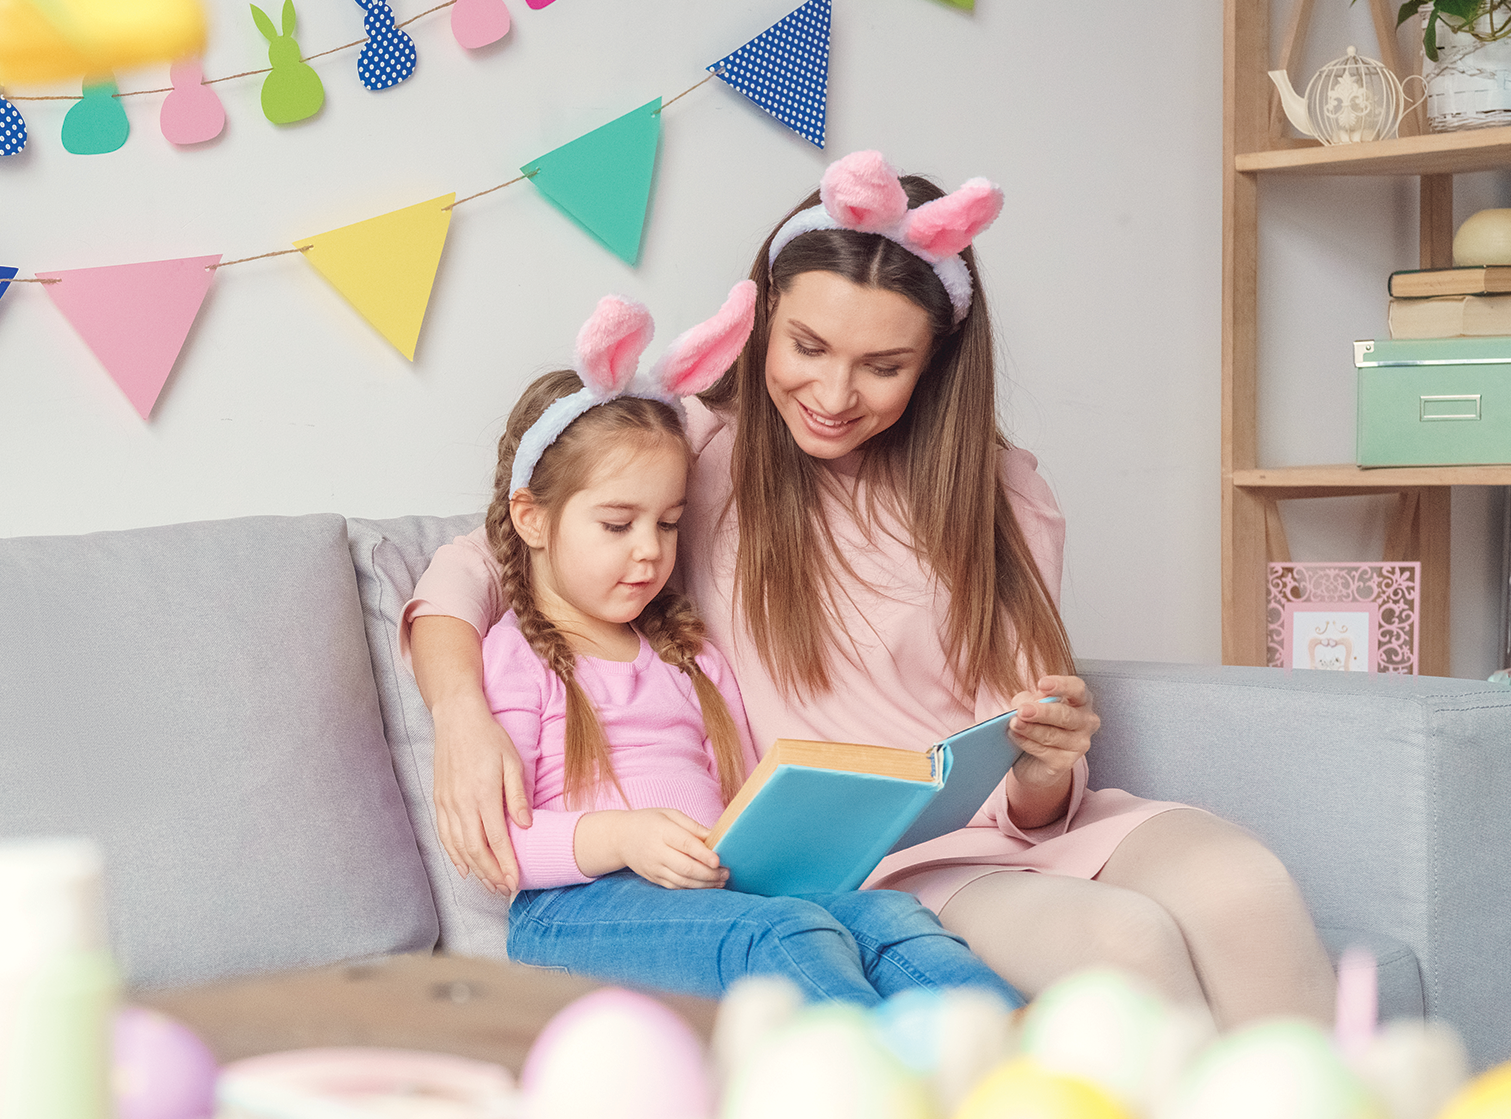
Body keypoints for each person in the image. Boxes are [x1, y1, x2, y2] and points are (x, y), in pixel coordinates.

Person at [406, 152, 1333, 1029]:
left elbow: (1033, 763)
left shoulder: (1002, 492)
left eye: (883, 366)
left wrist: (1048, 764)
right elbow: (483, 556)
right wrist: (459, 711)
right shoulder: (695, 453)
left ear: (934, 362)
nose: (833, 394)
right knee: (1124, 941)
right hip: (881, 867)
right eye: (806, 345)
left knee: (1245, 885)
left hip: (1026, 829)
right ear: (761, 317)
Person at [475, 290, 1021, 1006]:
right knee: (784, 934)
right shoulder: (515, 657)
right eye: (617, 525)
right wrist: (619, 839)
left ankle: (1011, 1063)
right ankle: (879, 1093)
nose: (649, 553)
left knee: (886, 916)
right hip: (572, 911)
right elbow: (496, 848)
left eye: (668, 524)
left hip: (712, 895)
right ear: (531, 518)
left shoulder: (687, 656)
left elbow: (736, 800)